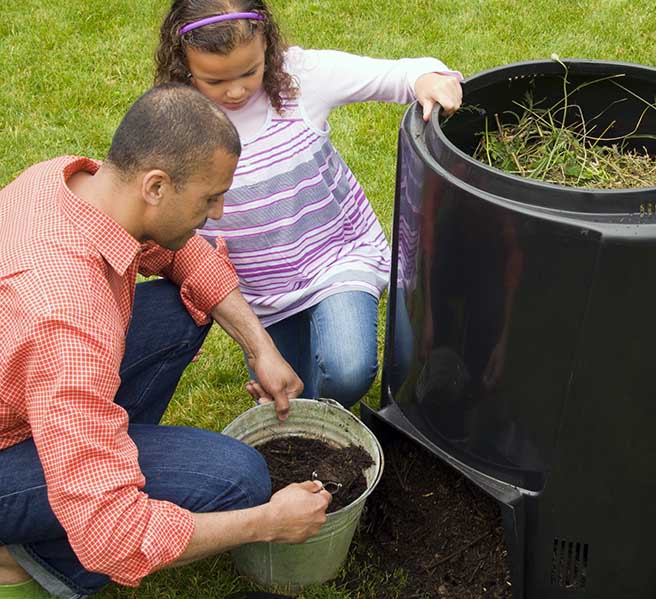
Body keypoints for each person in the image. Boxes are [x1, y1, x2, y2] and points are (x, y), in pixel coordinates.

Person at [0, 83, 331, 599]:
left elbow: (183, 254)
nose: (218, 212)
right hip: (10, 443)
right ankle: (30, 558)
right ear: (155, 186)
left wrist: (259, 347)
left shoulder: (66, 182)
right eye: (209, 198)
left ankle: (94, 455)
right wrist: (268, 522)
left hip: (29, 385)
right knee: (239, 479)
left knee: (181, 309)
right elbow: (113, 534)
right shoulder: (69, 317)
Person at [154, 0, 463, 408]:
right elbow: (161, 218)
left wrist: (426, 78)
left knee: (347, 370)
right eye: (215, 80)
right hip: (259, 291)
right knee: (286, 390)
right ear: (184, 65)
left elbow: (397, 74)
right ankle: (308, 419)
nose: (236, 90)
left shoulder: (299, 79)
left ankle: (320, 412)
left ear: (268, 46)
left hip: (334, 259)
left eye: (250, 72)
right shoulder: (174, 118)